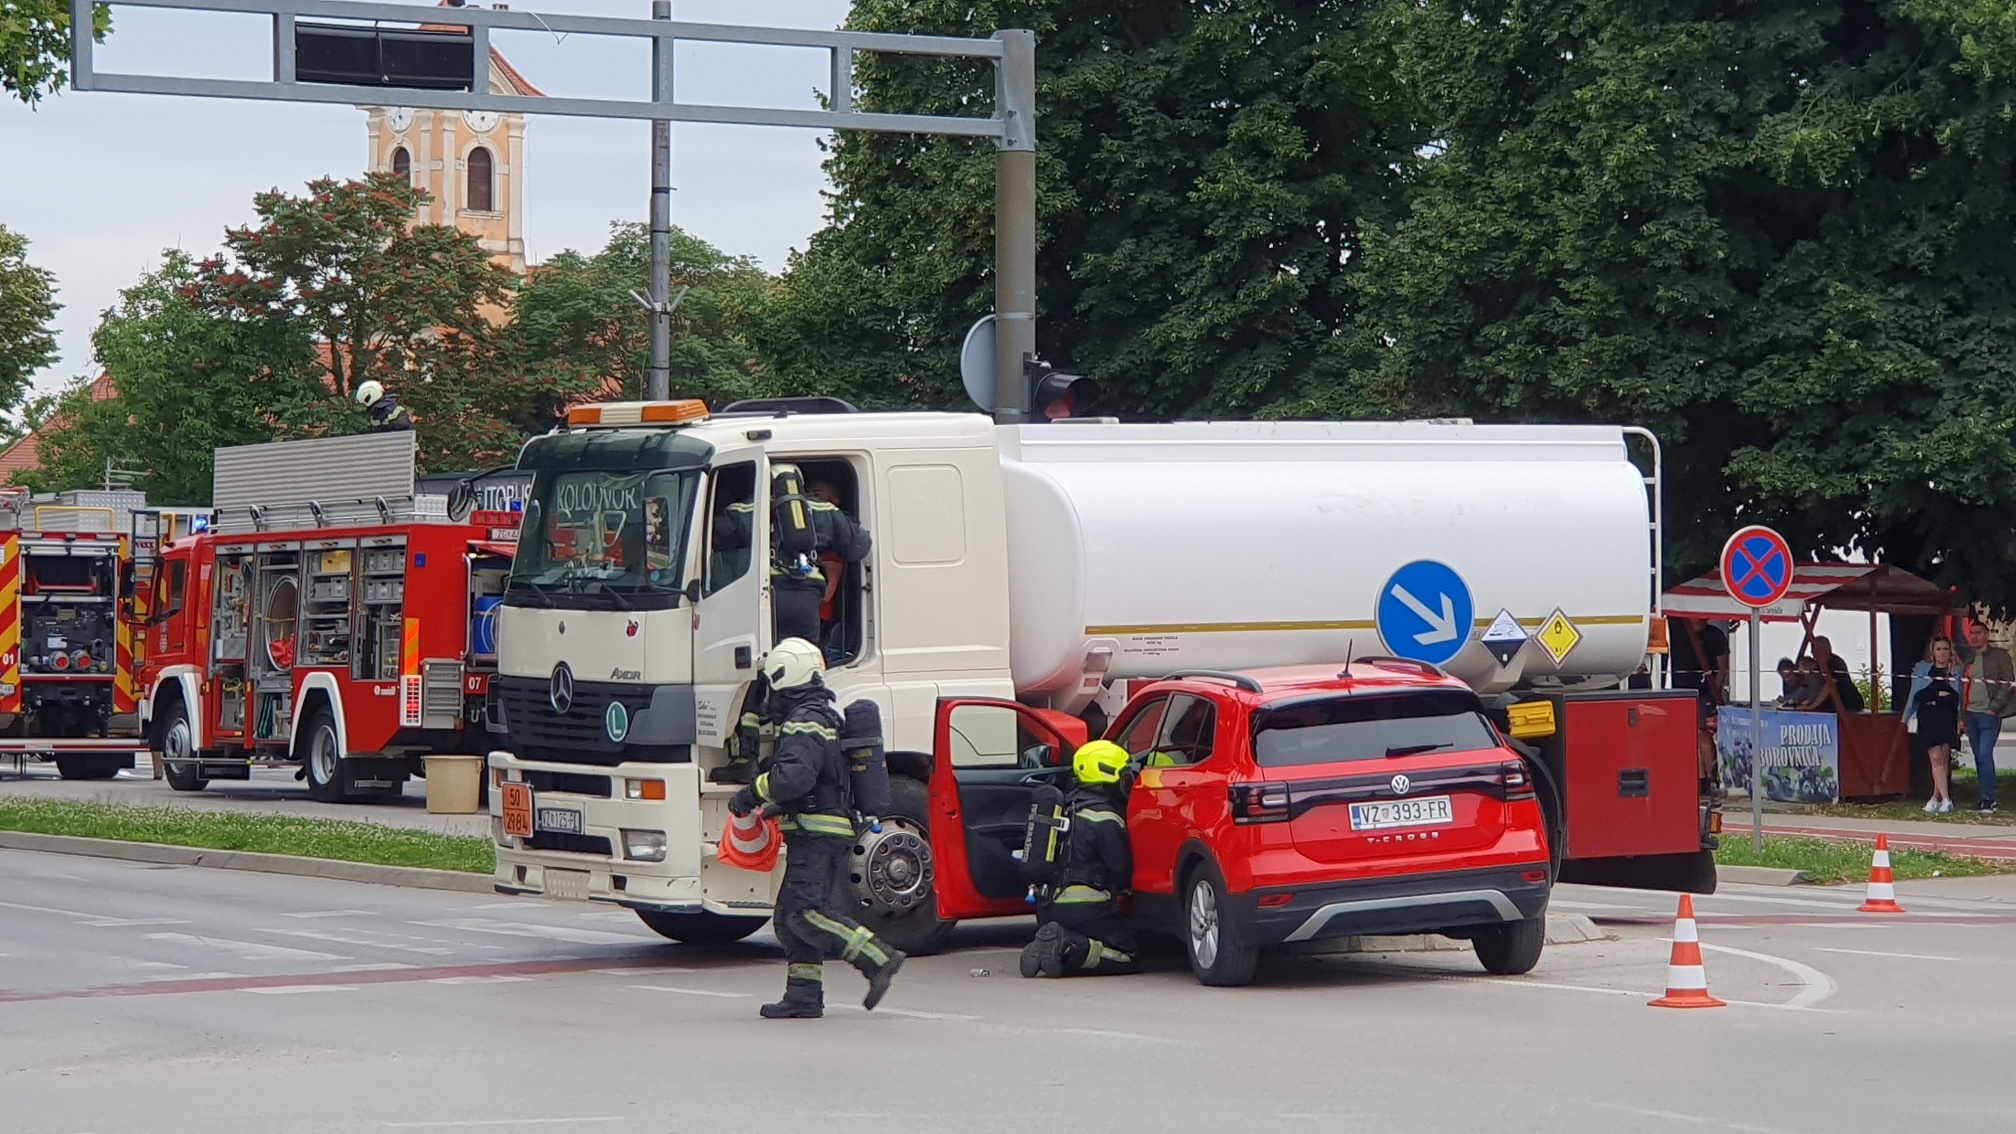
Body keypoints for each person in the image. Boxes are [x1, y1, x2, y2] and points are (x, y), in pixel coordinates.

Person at [728, 638, 904, 1018]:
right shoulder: (818, 716)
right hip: (819, 826)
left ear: (783, 677)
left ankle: (878, 958)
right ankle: (803, 996)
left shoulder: (804, 720)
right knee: (789, 917)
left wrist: (751, 794)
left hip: (818, 832)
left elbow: (795, 776)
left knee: (803, 913)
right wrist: (778, 808)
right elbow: (816, 779)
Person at [1019, 739, 1141, 979]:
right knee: (1129, 954)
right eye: (1126, 775)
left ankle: (1056, 943)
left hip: (1048, 907)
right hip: (1088, 909)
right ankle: (1068, 944)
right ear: (1109, 774)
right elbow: (1122, 872)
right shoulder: (1105, 817)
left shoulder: (1063, 808)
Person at [715, 464, 870, 645]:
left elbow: (713, 541)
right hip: (807, 598)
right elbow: (860, 547)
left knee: (764, 657)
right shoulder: (824, 509)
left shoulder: (744, 509)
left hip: (762, 595)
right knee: (801, 654)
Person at [1958, 616, 2013, 813]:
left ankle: (1990, 799)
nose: (1974, 637)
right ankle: (1984, 797)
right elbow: (1962, 686)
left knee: (1984, 754)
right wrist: (1961, 716)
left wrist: (1994, 707)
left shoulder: (1999, 656)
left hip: (1988, 714)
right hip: (1970, 714)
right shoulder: (1969, 659)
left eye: (1978, 633)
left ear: (1986, 635)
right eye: (1971, 633)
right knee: (1978, 756)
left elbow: (2008, 683)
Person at [1904, 636, 1964, 814]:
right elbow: (1919, 695)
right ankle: (1946, 799)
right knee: (1935, 758)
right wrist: (1939, 696)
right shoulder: (1923, 670)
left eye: (1945, 649)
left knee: (1944, 759)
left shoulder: (1955, 671)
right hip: (1928, 717)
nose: (1942, 653)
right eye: (1938, 649)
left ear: (1950, 651)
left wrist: (1959, 719)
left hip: (1947, 718)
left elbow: (1955, 698)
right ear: (1933, 652)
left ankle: (1935, 797)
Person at [1810, 637, 1864, 713]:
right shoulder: (1817, 665)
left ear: (1826, 649)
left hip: (1848, 704)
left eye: (1814, 648)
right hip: (1831, 704)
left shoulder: (1835, 663)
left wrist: (1812, 706)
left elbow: (1829, 686)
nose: (1812, 652)